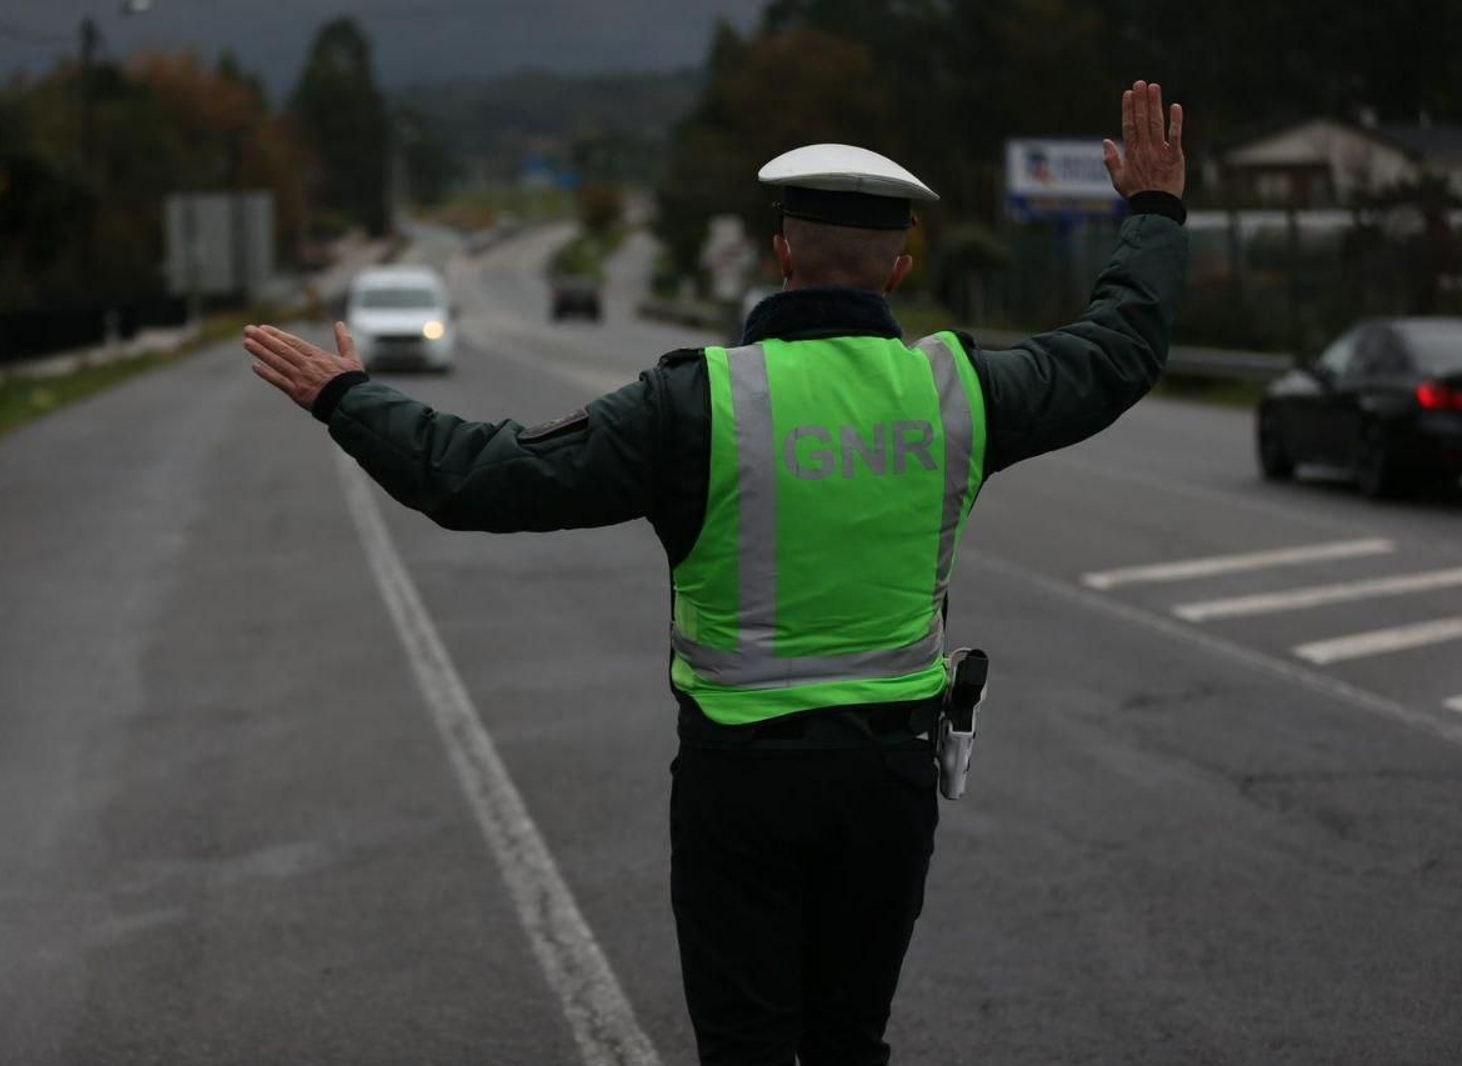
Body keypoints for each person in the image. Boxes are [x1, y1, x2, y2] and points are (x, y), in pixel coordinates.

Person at [243, 80, 1187, 1066]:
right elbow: (1119, 350)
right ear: (900, 268)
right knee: (846, 1042)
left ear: (781, 256)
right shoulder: (959, 392)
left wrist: (349, 398)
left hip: (739, 783)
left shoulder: (695, 403)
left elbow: (485, 478)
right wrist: (1154, 214)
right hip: (887, 778)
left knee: (742, 1048)